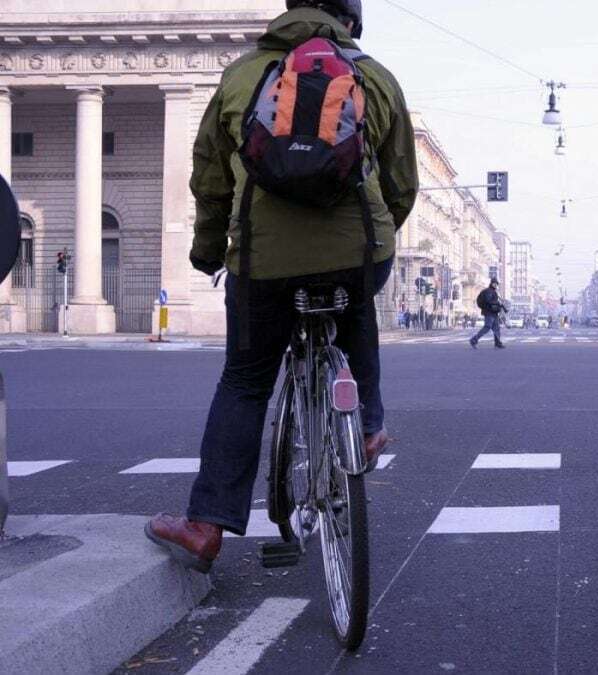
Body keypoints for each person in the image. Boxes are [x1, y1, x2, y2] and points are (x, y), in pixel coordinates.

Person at [144, 0, 418, 573]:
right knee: (357, 305)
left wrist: (207, 250)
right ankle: (367, 426)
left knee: (245, 382)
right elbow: (401, 183)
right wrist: (377, 236)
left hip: (262, 260)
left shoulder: (242, 75)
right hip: (355, 253)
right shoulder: (377, 77)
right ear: (352, 21)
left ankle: (205, 527)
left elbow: (211, 178)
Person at [470, 278, 507, 349]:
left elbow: (492, 302)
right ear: (491, 283)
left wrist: (499, 305)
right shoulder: (489, 291)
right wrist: (498, 304)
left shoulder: (493, 291)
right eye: (494, 283)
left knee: (496, 328)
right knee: (487, 327)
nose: (495, 285)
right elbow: (488, 301)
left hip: (494, 313)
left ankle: (497, 343)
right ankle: (473, 340)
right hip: (489, 313)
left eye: (496, 284)